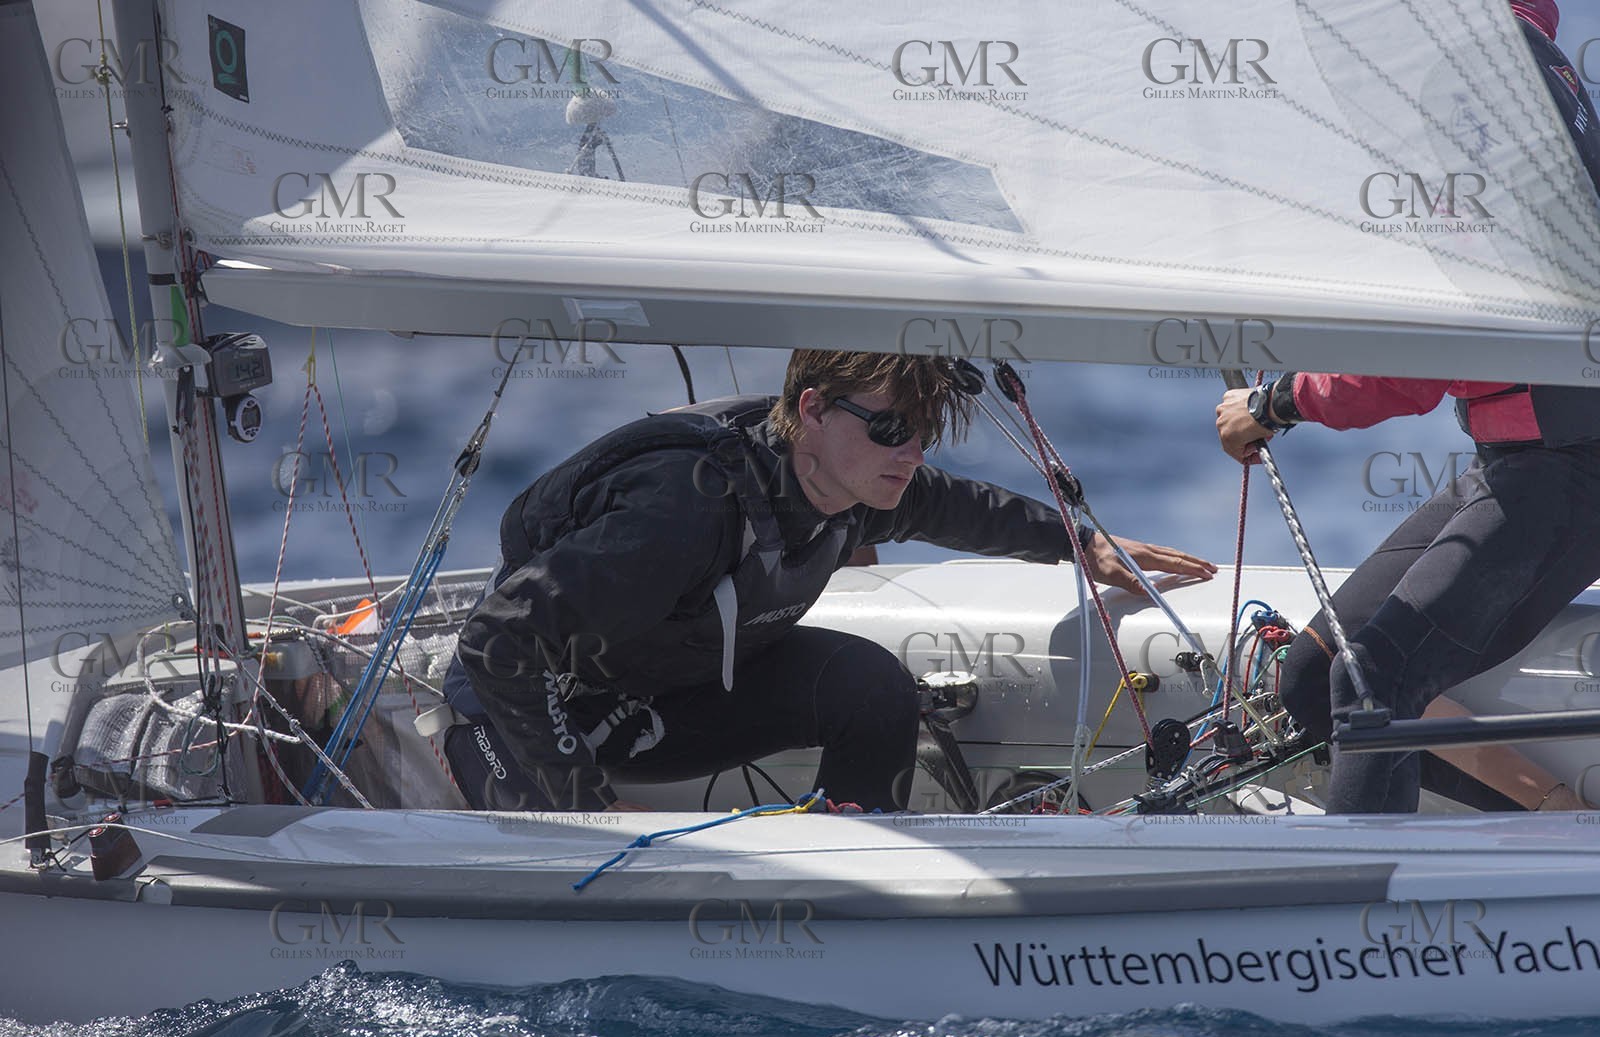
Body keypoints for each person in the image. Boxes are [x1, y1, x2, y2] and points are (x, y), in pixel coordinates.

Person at [441, 349, 1216, 812]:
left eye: (922, 433)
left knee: (872, 690)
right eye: (890, 429)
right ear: (811, 409)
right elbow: (499, 641)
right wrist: (591, 805)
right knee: (581, 855)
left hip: (663, 699)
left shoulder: (855, 483)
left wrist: (1082, 543)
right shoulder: (682, 509)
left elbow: (961, 507)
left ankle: (848, 874)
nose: (910, 453)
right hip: (525, 714)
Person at [1214, 0, 1600, 814]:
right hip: (1523, 463)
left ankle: (1368, 891)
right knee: (1316, 678)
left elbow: (1432, 352)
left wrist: (1278, 401)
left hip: (1567, 473)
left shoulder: (1483, 78)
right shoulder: (1522, 62)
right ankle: (1553, 817)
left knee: (1374, 678)